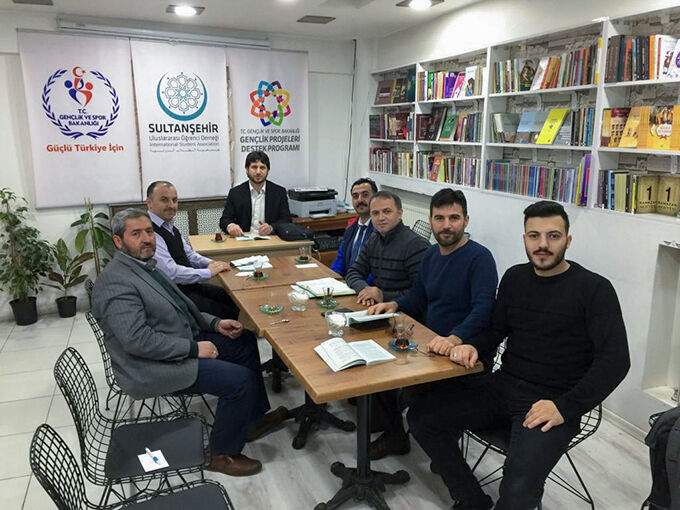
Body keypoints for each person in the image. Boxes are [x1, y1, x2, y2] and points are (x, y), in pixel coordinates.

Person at [407, 200, 631, 510]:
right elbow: (496, 329)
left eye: (553, 236)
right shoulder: (515, 278)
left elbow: (616, 361)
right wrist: (473, 345)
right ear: (524, 239)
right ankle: (472, 500)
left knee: (517, 488)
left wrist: (565, 407)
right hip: (504, 386)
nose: (543, 245)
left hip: (552, 401)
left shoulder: (594, 289)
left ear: (568, 240)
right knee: (421, 418)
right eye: (534, 236)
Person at [92, 209, 289, 477]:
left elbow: (183, 308)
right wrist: (194, 349)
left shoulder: (146, 265)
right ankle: (221, 453)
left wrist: (215, 324)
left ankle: (251, 421)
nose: (146, 238)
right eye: (136, 234)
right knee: (239, 380)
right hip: (151, 365)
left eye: (149, 232)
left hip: (176, 342)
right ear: (118, 241)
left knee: (243, 340)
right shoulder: (116, 282)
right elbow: (137, 341)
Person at [367, 188, 498, 460]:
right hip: (431, 344)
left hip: (464, 352)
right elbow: (419, 296)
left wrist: (454, 338)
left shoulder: (480, 258)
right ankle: (395, 435)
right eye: (439, 218)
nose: (446, 225)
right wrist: (394, 304)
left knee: (409, 395)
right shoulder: (431, 255)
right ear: (431, 220)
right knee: (377, 370)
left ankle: (438, 439)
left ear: (466, 220)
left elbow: (483, 310)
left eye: (454, 218)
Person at [146, 180, 239, 319]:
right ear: (149, 203)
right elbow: (171, 273)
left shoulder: (169, 226)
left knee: (231, 298)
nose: (171, 205)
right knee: (224, 311)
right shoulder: (149, 232)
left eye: (174, 200)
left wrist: (211, 263)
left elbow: (189, 254)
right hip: (173, 294)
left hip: (189, 286)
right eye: (164, 200)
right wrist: (208, 272)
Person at [345, 190, 430, 307]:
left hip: (406, 312)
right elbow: (353, 272)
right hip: (378, 307)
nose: (381, 218)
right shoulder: (374, 239)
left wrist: (383, 296)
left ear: (399, 214)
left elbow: (421, 293)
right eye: (375, 213)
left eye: (387, 211)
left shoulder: (416, 245)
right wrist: (365, 290)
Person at [219, 151, 292, 237]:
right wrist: (230, 226)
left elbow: (286, 220)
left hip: (271, 239)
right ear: (247, 169)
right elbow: (225, 220)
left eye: (262, 168)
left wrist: (271, 228)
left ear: (268, 170)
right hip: (243, 239)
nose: (258, 172)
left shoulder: (279, 192)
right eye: (254, 167)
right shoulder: (235, 193)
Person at [330, 177, 378, 277]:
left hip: (366, 284)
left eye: (365, 195)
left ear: (376, 198)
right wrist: (332, 278)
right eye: (355, 196)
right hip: (348, 282)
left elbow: (377, 270)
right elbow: (340, 261)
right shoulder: (351, 229)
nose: (360, 200)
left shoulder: (380, 231)